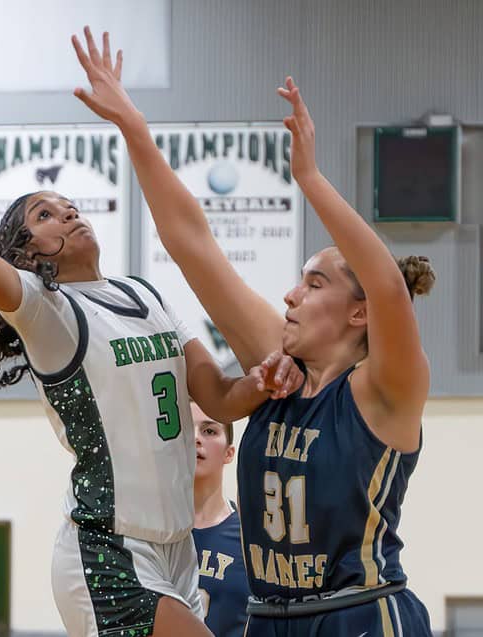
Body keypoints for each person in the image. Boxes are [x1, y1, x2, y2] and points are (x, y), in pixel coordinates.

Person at [0, 39, 303, 636]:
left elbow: (221, 397)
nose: (67, 214)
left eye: (69, 205)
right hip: (107, 549)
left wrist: (260, 382)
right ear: (25, 255)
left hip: (179, 548)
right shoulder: (50, 313)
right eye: (44, 215)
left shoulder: (146, 296)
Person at [71, 28, 434, 635]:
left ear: (359, 313)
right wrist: (134, 126)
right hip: (267, 619)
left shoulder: (386, 390)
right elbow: (191, 243)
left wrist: (310, 178)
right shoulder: (276, 369)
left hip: (359, 613)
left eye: (315, 284)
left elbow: (390, 286)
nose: (291, 294)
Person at [191, 403, 249, 637]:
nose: (195, 438)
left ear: (229, 453)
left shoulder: (248, 536)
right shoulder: (153, 533)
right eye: (187, 429)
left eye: (209, 431)